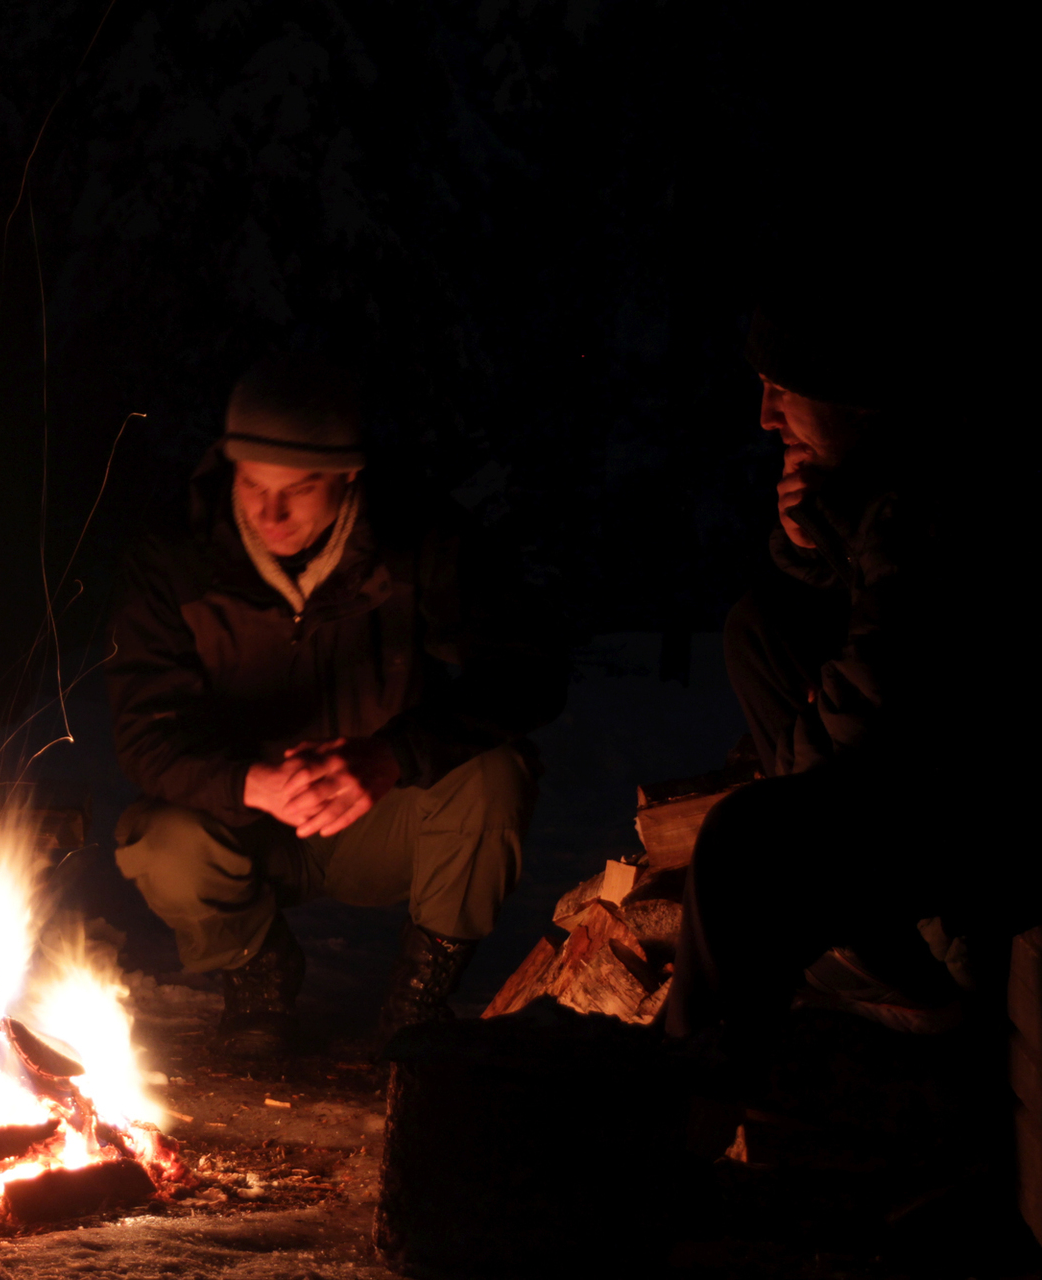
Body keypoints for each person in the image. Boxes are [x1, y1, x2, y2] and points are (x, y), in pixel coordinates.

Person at [106, 356, 567, 1057]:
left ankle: (418, 1002)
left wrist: (391, 757)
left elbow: (530, 671)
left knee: (496, 775)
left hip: (378, 816)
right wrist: (249, 782)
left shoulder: (416, 539)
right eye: (252, 484)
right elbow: (144, 732)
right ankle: (257, 973)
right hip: (246, 827)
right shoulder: (176, 556)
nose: (270, 514)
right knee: (160, 840)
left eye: (298, 489)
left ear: (348, 474)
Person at [668, 262, 1019, 1053]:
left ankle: (698, 1083)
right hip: (923, 789)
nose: (766, 418)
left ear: (851, 395)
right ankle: (866, 947)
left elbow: (881, 690)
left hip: (982, 822)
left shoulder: (932, 503)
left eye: (782, 390)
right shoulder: (884, 487)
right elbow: (856, 616)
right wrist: (815, 540)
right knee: (757, 629)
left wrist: (789, 803)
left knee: (742, 841)